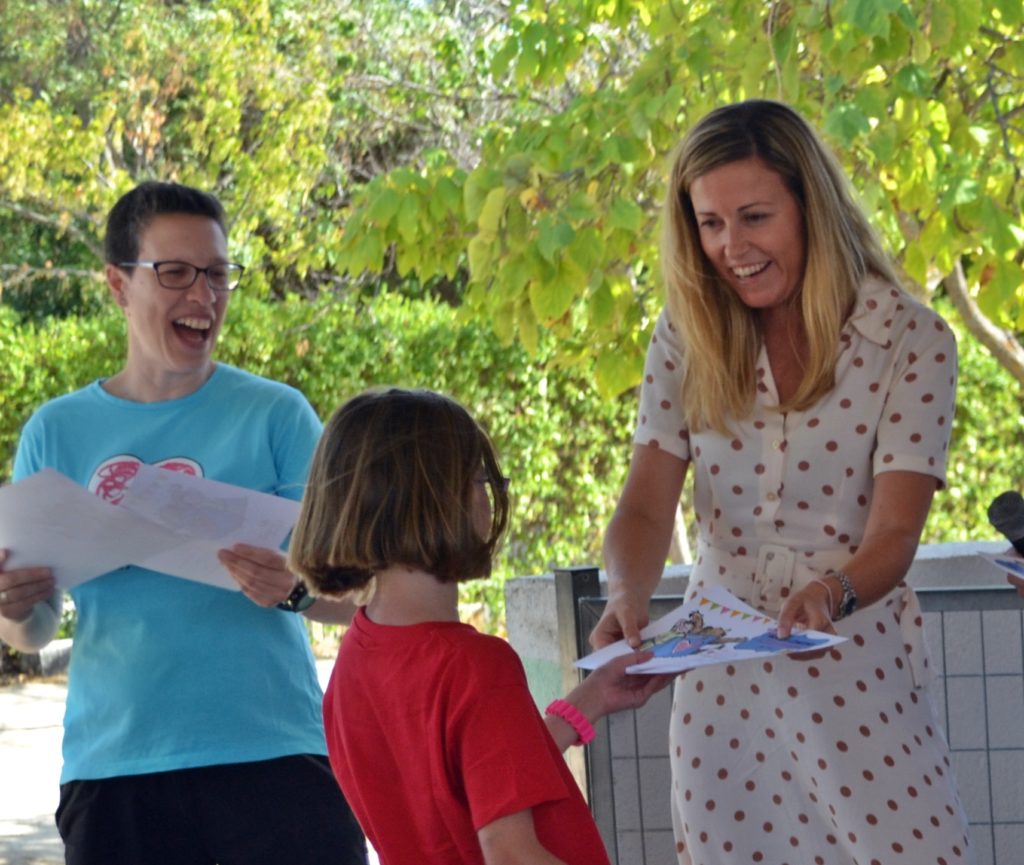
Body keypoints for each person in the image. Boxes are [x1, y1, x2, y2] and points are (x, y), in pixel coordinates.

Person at [590, 100, 975, 864]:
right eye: (710, 224)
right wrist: (625, 595)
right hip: (720, 689)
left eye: (755, 216)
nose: (732, 247)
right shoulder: (683, 332)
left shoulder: (913, 339)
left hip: (853, 664)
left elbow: (896, 534)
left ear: (811, 206)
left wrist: (831, 594)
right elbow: (642, 503)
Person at [0, 181, 367, 864]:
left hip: (278, 760)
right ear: (117, 285)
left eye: (219, 273)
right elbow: (35, 626)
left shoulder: (279, 416)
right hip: (116, 772)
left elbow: (360, 597)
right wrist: (12, 606)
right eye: (175, 273)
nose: (204, 295)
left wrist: (294, 588)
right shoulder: (56, 431)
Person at [288, 387, 672, 865]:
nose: (488, 496)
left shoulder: (358, 656)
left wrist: (590, 700)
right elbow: (511, 855)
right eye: (478, 480)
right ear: (438, 501)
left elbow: (474, 783)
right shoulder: (476, 667)